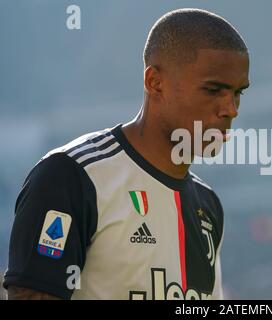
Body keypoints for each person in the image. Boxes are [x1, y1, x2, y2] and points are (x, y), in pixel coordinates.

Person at [3, 8, 250, 300]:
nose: (230, 109)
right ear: (155, 82)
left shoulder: (208, 205)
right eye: (213, 90)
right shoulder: (72, 176)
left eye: (238, 93)